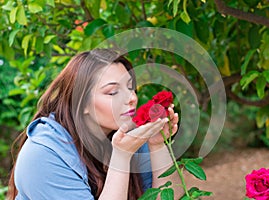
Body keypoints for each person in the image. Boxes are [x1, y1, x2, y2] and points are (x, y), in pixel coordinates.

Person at [7, 48, 181, 200]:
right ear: (81, 104)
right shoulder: (43, 155)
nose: (132, 98)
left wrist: (157, 145)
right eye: (113, 92)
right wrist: (121, 157)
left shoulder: (126, 136)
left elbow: (172, 196)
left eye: (130, 87)